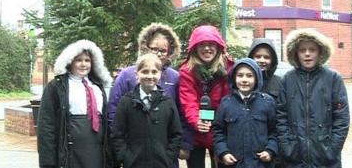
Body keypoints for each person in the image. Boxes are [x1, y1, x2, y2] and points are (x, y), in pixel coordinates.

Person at [107, 22, 192, 161]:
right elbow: (114, 111)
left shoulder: (175, 77)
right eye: (153, 49)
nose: (158, 54)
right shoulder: (127, 75)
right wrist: (123, 152)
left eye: (163, 51)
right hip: (135, 152)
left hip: (163, 154)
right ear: (146, 47)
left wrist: (182, 145)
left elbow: (182, 113)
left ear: (169, 51)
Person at [277, 28, 350, 168]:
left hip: (326, 157)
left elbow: (342, 118)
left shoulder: (333, 79)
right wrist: (287, 146)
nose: (307, 54)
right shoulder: (287, 79)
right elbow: (281, 116)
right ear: (295, 53)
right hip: (294, 156)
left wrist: (332, 149)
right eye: (302, 50)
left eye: (312, 49)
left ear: (320, 52)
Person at [37, 39, 113, 168]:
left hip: (97, 151)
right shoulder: (57, 87)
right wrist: (48, 162)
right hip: (71, 153)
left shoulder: (97, 86)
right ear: (70, 62)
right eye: (79, 60)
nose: (83, 64)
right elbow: (46, 126)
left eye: (87, 60)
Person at [111, 53, 182, 168]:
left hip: (162, 163)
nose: (150, 76)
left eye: (154, 72)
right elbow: (117, 134)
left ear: (160, 74)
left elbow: (176, 134)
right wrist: (125, 157)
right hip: (134, 163)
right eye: (145, 71)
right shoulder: (126, 102)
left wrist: (168, 157)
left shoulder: (167, 102)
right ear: (137, 73)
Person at [179, 25, 234, 168]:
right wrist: (197, 121)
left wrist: (220, 124)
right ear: (195, 48)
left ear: (218, 47)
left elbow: (228, 99)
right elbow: (188, 101)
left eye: (211, 44)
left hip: (220, 129)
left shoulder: (228, 69)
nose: (207, 49)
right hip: (195, 131)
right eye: (202, 45)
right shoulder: (187, 71)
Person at [213, 58, 278, 168]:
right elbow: (218, 132)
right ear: (234, 78)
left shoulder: (267, 102)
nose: (244, 80)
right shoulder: (226, 103)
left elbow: (274, 131)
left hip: (260, 164)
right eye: (240, 75)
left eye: (249, 76)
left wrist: (270, 150)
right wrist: (223, 152)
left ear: (257, 78)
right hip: (234, 163)